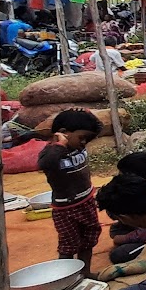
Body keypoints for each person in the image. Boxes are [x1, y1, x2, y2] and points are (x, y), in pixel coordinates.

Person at [41, 109, 104, 278]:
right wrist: (60, 144)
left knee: (89, 238)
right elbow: (45, 164)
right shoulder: (51, 152)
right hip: (65, 208)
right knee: (68, 243)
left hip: (86, 201)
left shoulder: (78, 146)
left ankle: (85, 273)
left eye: (87, 139)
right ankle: (65, 278)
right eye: (81, 137)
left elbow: (98, 128)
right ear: (62, 133)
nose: (84, 142)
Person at [106, 152, 146, 264]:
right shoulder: (144, 188)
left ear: (132, 176)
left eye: (122, 174)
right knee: (115, 230)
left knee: (118, 255)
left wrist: (124, 238)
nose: (119, 177)